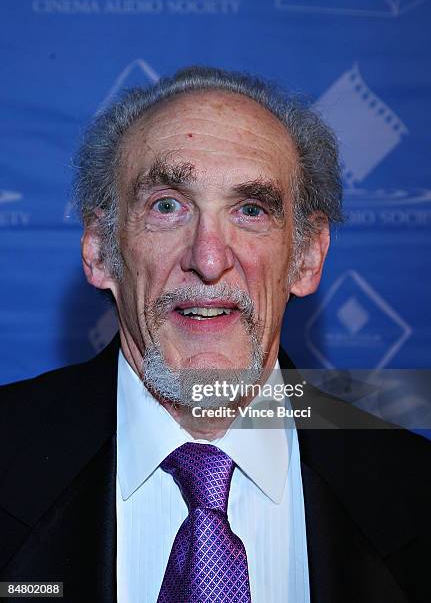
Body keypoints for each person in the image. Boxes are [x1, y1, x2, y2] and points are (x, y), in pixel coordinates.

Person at [0, 67, 429, 603]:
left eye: (250, 210)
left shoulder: (416, 489)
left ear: (308, 257)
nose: (208, 259)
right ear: (100, 251)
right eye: (167, 206)